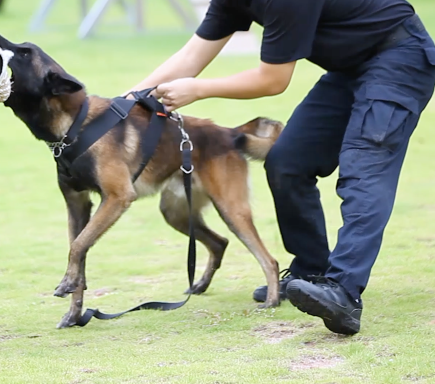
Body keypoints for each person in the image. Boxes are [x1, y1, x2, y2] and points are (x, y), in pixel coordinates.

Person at [127, 0, 435, 335]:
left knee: (364, 169)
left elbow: (273, 80)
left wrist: (199, 89)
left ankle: (343, 292)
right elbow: (190, 57)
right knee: (286, 161)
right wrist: (122, 103)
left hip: (400, 58)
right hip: (349, 69)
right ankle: (309, 272)